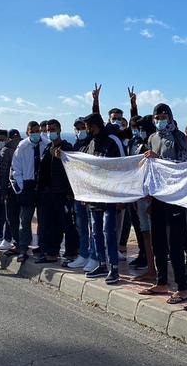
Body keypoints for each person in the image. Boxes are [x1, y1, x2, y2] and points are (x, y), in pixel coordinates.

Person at [141, 103, 187, 303]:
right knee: (159, 242)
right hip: (158, 196)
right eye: (157, 117)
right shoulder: (152, 138)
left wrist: (159, 159)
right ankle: (161, 282)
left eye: (164, 116)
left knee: (176, 244)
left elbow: (183, 164)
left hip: (175, 197)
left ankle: (183, 288)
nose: (160, 120)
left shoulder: (179, 137)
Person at [80, 113, 124, 284]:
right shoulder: (91, 143)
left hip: (110, 196)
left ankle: (114, 268)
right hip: (93, 195)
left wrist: (120, 196)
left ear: (97, 125)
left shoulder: (113, 141)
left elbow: (122, 166)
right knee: (96, 232)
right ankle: (101, 264)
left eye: (89, 127)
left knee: (108, 232)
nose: (88, 130)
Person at [36, 120, 75, 264]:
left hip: (63, 193)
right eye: (47, 130)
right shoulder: (47, 147)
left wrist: (63, 158)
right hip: (48, 193)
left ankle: (71, 253)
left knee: (66, 224)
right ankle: (51, 253)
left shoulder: (66, 147)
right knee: (50, 224)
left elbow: (73, 168)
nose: (50, 132)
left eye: (52, 129)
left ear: (59, 130)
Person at [128, 115, 158, 280]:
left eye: (141, 128)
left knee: (153, 234)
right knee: (145, 232)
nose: (138, 131)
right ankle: (150, 266)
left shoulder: (153, 144)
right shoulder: (136, 143)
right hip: (138, 194)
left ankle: (155, 270)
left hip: (149, 196)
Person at [10, 121, 41, 263]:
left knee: (44, 220)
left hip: (42, 186)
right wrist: (21, 188)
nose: (35, 133)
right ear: (27, 132)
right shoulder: (22, 147)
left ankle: (42, 247)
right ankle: (23, 248)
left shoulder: (45, 144)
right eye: (32, 131)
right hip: (27, 186)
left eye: (37, 130)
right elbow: (16, 170)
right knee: (25, 219)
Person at [69, 118, 98, 271]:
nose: (80, 131)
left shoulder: (92, 144)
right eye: (77, 128)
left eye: (82, 127)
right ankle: (83, 254)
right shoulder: (76, 145)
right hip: (78, 192)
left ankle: (94, 256)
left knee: (94, 226)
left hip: (90, 192)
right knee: (81, 226)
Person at [0, 129, 22, 256]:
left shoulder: (6, 150)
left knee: (11, 218)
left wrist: (3, 192)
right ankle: (22, 243)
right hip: (24, 188)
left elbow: (4, 172)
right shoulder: (25, 146)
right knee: (22, 218)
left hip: (11, 188)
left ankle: (18, 243)